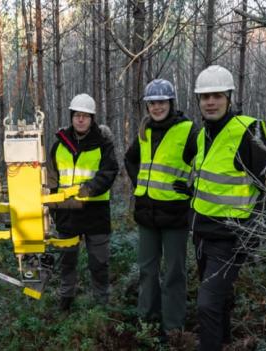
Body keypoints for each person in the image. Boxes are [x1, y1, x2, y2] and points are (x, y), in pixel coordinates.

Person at [189, 65, 266, 350]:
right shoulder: (201, 136)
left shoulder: (247, 132)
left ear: (229, 97)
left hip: (230, 239)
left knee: (207, 304)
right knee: (220, 299)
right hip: (202, 235)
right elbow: (209, 182)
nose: (210, 102)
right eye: (205, 96)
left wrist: (254, 229)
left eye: (217, 95)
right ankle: (225, 342)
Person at [124, 79, 198, 339]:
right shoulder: (145, 131)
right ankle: (147, 321)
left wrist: (192, 188)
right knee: (147, 270)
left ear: (171, 103)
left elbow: (205, 165)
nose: (157, 107)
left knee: (174, 273)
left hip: (175, 214)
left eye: (161, 102)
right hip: (147, 213)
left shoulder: (189, 130)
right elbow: (130, 159)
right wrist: (138, 183)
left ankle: (173, 328)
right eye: (152, 103)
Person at [46, 93, 119, 311]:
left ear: (92, 118)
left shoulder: (103, 143)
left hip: (95, 212)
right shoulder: (59, 145)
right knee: (67, 261)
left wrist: (89, 189)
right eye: (77, 115)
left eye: (85, 116)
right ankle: (66, 300)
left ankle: (101, 303)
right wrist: (52, 206)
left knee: (99, 262)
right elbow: (51, 179)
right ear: (71, 116)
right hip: (66, 213)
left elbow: (109, 172)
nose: (80, 119)